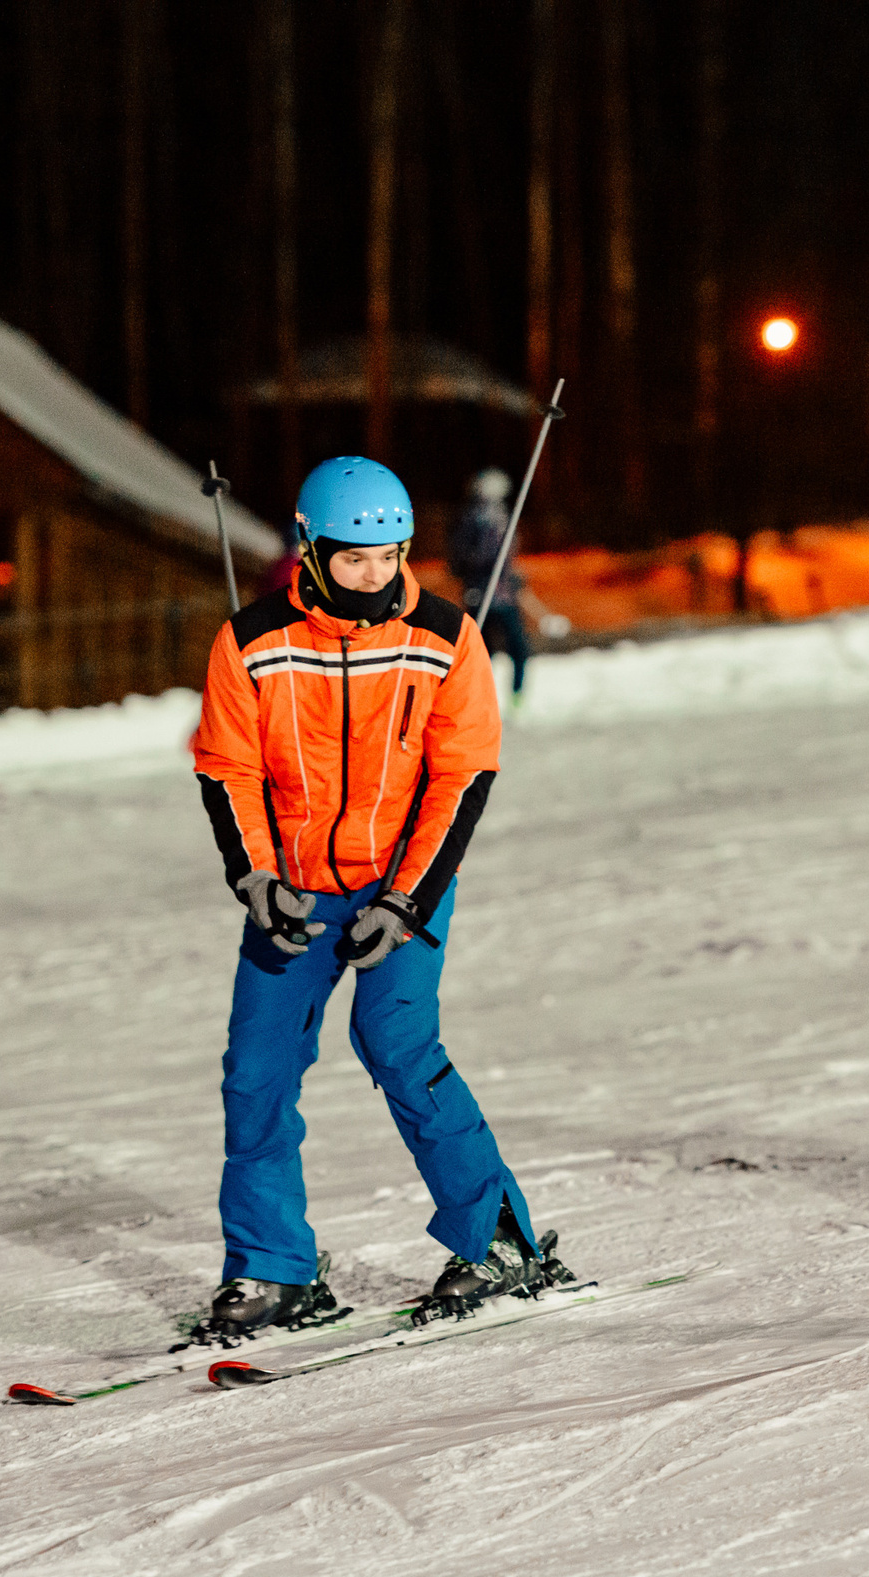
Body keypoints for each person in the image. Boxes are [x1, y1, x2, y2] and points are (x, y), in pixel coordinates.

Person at [188, 455, 569, 1341]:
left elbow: (461, 778)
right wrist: (255, 880)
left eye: (389, 557)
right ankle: (271, 1267)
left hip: (405, 880)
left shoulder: (444, 639)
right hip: (293, 887)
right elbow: (227, 768)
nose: (374, 576)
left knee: (394, 1039)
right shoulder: (250, 641)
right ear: (309, 548)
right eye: (353, 559)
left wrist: (404, 899)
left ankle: (499, 1241)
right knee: (257, 1071)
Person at [450, 467, 531, 701]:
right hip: (482, 595)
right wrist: (484, 569)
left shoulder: (502, 518)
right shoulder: (473, 520)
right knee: (483, 654)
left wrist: (512, 574)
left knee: (516, 649)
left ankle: (515, 697)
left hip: (504, 595)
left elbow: (506, 557)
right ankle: (479, 701)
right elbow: (464, 559)